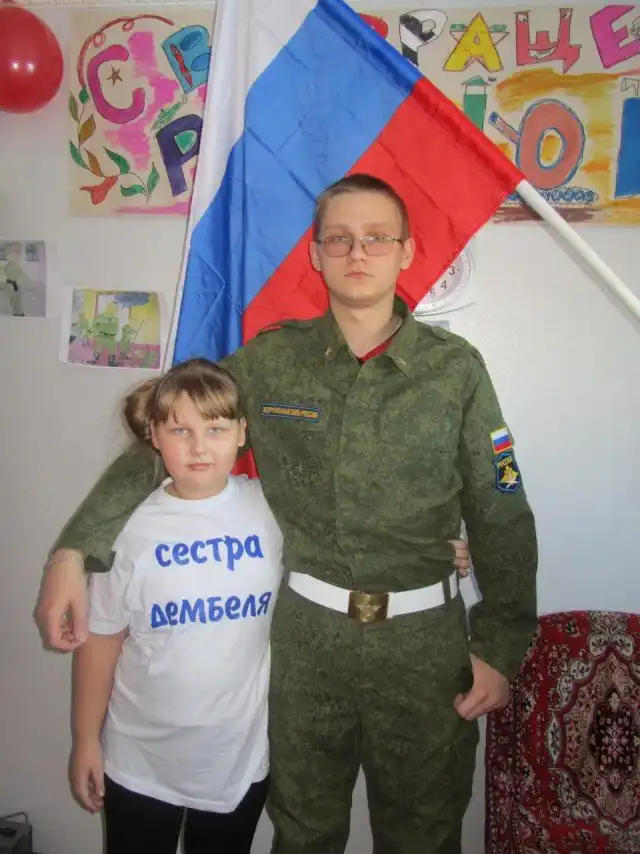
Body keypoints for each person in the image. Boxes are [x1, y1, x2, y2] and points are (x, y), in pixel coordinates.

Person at [38, 174, 537, 854]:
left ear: (406, 252)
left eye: (376, 238)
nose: (356, 253)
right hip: (307, 648)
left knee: (423, 836)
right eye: (339, 239)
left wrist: (500, 647)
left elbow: (501, 509)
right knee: (303, 835)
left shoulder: (456, 370)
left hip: (424, 651)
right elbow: (173, 437)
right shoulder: (273, 362)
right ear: (315, 254)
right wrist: (73, 551)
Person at [71, 358, 282, 854]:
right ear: (154, 435)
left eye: (216, 428)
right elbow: (101, 639)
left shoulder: (271, 510)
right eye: (180, 430)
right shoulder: (127, 526)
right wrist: (85, 739)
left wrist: (445, 549)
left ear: (242, 433)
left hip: (237, 762)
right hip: (139, 761)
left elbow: (344, 545)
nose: (199, 446)